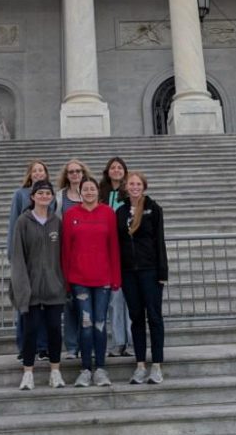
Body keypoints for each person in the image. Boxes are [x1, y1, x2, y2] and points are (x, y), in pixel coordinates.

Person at [61, 176, 121, 387]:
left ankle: (101, 369)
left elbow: (114, 246)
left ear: (98, 192)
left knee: (100, 323)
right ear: (80, 193)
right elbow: (65, 250)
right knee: (86, 324)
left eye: (92, 189)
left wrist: (116, 278)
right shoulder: (70, 215)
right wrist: (66, 281)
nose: (88, 192)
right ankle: (86, 368)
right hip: (79, 279)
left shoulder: (108, 213)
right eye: (85, 189)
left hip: (103, 279)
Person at [9, 179, 66, 390]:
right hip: (31, 288)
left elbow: (62, 255)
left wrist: (61, 282)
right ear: (32, 197)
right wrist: (22, 289)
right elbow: (18, 258)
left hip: (53, 287)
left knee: (53, 330)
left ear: (52, 197)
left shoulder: (56, 222)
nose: (44, 196)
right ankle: (28, 373)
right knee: (31, 330)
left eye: (47, 193)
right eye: (40, 193)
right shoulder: (23, 222)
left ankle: (55, 371)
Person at [116, 171, 168, 385]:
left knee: (154, 318)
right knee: (136, 318)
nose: (135, 187)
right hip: (128, 272)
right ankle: (139, 365)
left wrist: (162, 273)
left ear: (143, 186)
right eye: (131, 184)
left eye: (138, 184)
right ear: (126, 187)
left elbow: (159, 241)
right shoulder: (119, 212)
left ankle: (156, 365)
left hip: (150, 271)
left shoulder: (153, 209)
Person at [8, 160, 53, 359]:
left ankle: (43, 345)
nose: (38, 173)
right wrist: (13, 253)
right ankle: (25, 346)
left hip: (46, 256)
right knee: (24, 302)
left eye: (41, 170)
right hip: (25, 255)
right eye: (34, 171)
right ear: (30, 174)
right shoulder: (21, 195)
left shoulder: (50, 194)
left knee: (44, 303)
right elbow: (13, 223)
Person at [55, 158, 91, 357]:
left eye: (78, 171)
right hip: (67, 254)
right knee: (69, 302)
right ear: (66, 176)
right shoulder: (60, 197)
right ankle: (71, 345)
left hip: (89, 254)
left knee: (88, 301)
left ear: (83, 173)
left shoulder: (90, 192)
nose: (75, 174)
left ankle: (88, 343)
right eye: (71, 172)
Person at [99, 156, 133, 357]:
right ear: (108, 171)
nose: (117, 170)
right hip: (107, 253)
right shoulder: (101, 192)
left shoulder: (130, 193)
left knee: (130, 301)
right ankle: (118, 341)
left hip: (126, 252)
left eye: (120, 167)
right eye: (113, 167)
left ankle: (130, 341)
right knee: (114, 300)